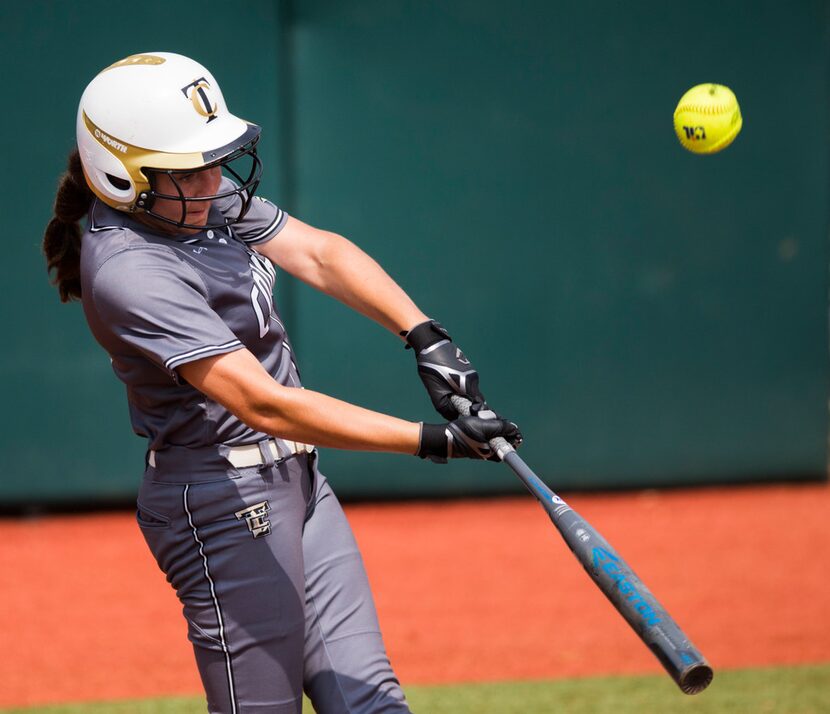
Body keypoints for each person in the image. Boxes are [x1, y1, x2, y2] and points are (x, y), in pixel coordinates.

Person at [42, 52, 522, 714]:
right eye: (192, 168)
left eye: (214, 159)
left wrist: (427, 339)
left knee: (374, 705)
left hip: (300, 485)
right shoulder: (130, 272)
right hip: (220, 503)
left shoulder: (191, 200)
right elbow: (264, 403)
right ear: (126, 178)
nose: (214, 179)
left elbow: (319, 253)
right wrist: (432, 440)